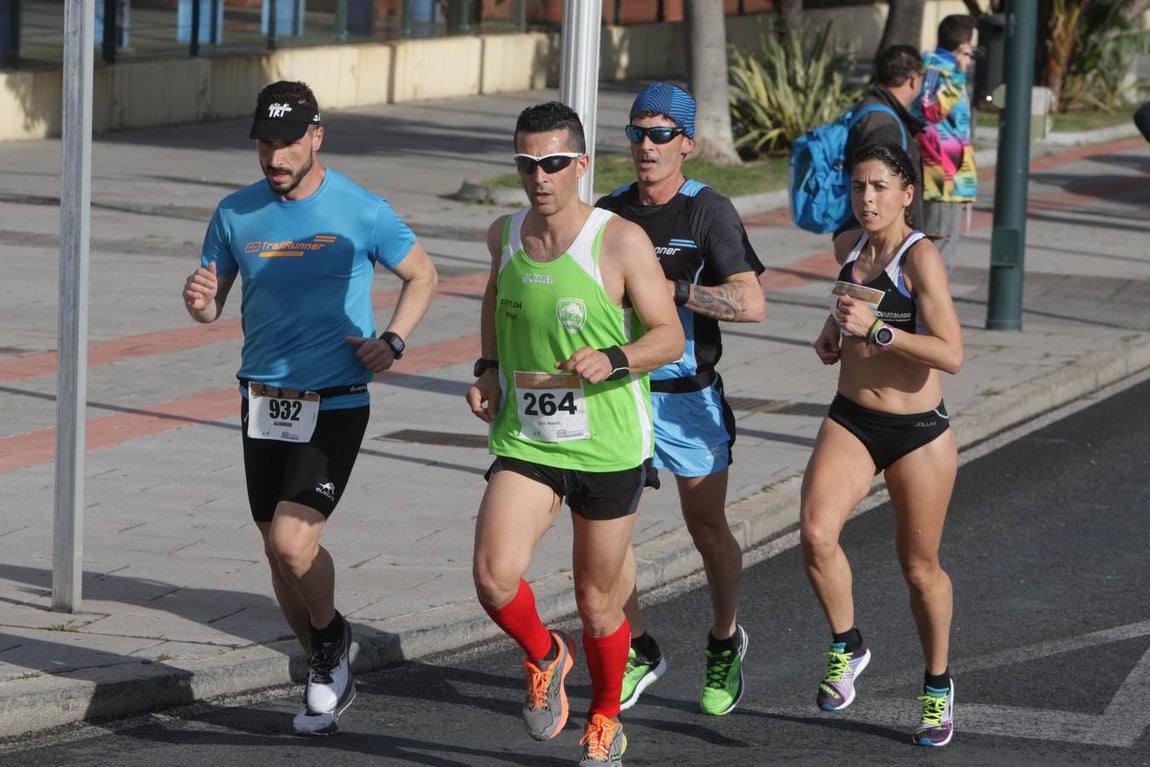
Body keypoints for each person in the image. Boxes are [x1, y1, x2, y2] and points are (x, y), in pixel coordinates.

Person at [181, 80, 438, 736]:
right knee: (277, 549)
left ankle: (329, 642)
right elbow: (212, 303)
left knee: (295, 541)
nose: (274, 156)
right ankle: (326, 662)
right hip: (263, 400)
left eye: (288, 142)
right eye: (265, 143)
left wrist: (394, 339)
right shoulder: (235, 213)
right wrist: (199, 300)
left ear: (316, 136)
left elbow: (422, 274)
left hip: (336, 397)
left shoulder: (361, 209)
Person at [467, 101, 683, 766]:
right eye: (529, 164)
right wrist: (489, 369)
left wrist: (613, 358)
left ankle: (607, 717)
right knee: (493, 575)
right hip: (529, 437)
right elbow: (494, 301)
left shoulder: (618, 241)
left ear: (581, 164)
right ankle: (543, 654)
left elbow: (669, 335)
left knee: (597, 600)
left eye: (555, 163)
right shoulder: (504, 234)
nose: (541, 176)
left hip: (607, 445)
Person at [594, 82, 766, 716]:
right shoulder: (609, 213)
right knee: (605, 537)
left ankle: (724, 639)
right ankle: (640, 646)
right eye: (637, 132)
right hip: (622, 391)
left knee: (706, 528)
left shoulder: (708, 211)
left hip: (688, 396)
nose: (646, 145)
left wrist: (675, 292)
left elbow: (751, 302)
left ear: (687, 144)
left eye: (661, 134)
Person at [801, 142, 963, 747]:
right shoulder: (850, 248)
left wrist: (880, 330)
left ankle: (938, 686)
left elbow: (950, 352)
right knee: (816, 535)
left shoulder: (921, 259)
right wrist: (832, 331)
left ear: (906, 195)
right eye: (858, 187)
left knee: (919, 570)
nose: (866, 199)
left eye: (879, 187)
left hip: (917, 432)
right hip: (852, 419)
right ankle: (848, 644)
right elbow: (851, 307)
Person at [837, 44, 927, 237]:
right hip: (882, 241)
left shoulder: (868, 107)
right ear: (914, 79)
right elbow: (874, 182)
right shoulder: (886, 125)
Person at [913, 14, 979, 273]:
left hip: (948, 171)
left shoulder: (940, 68)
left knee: (941, 246)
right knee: (937, 249)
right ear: (964, 43)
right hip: (940, 174)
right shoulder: (939, 70)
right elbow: (931, 110)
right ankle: (929, 309)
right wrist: (959, 75)